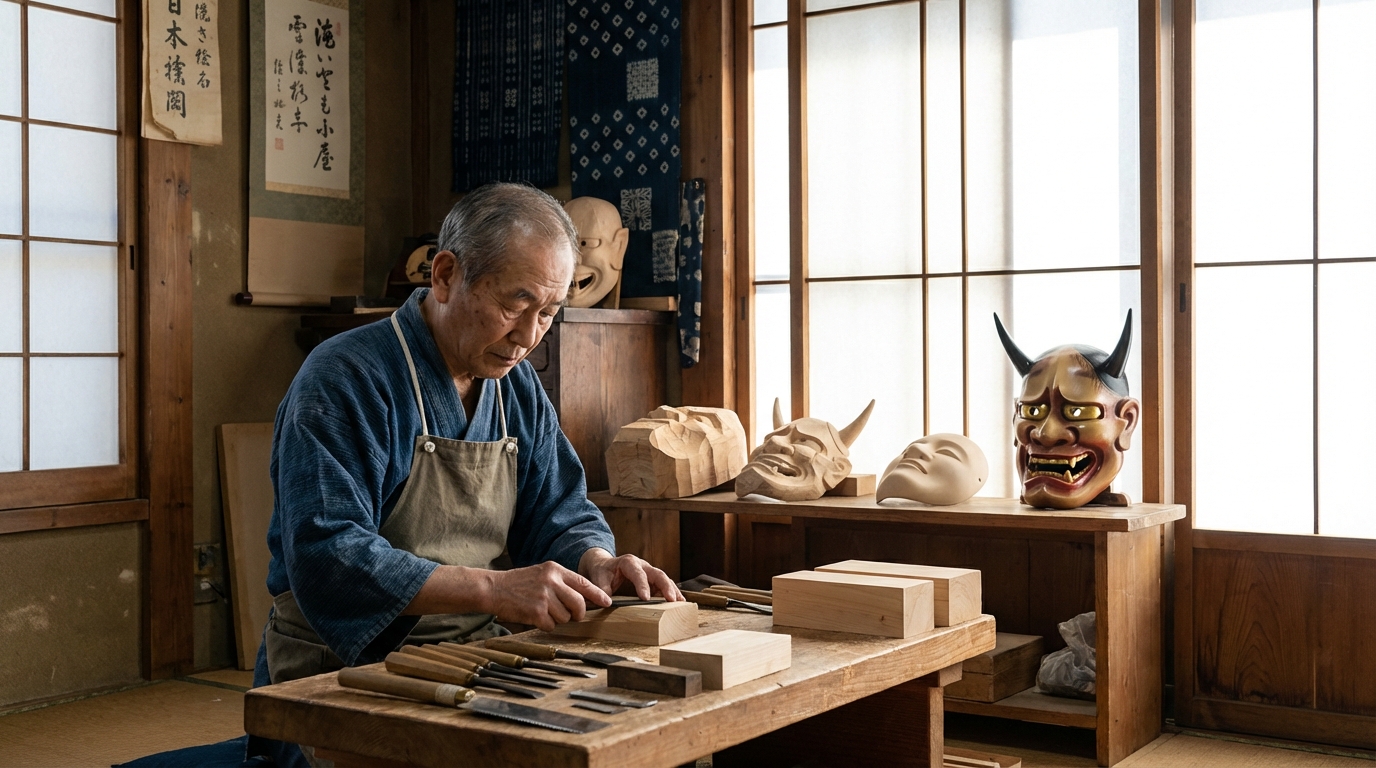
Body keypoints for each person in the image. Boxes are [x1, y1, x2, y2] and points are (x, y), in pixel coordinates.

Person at [249, 183, 680, 764]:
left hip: (475, 658)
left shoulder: (514, 386)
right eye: (513, 306)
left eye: (548, 313)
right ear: (446, 275)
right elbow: (328, 553)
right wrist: (496, 590)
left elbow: (558, 510)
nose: (527, 338)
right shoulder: (344, 377)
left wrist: (594, 561)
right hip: (346, 666)